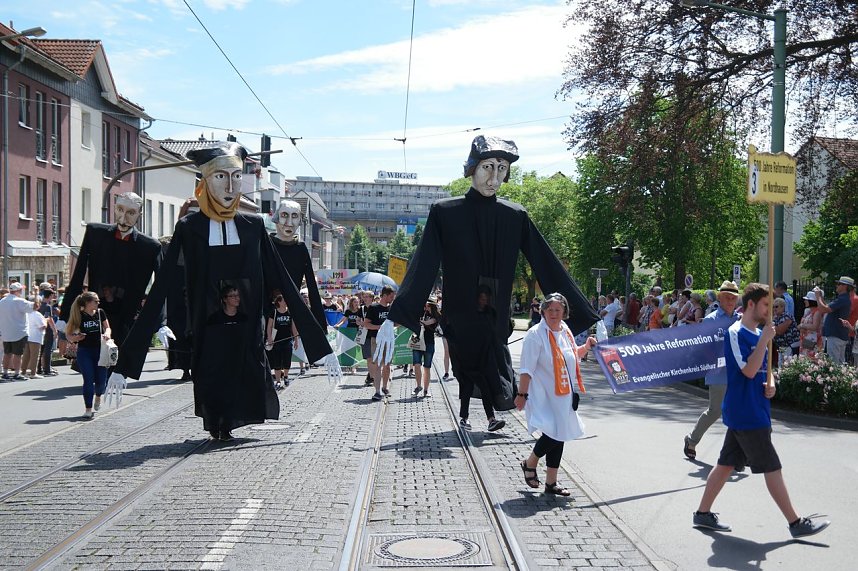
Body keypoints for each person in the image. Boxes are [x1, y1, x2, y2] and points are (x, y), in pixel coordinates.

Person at [109, 142, 331, 441]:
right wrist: (126, 363)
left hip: (245, 325)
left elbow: (285, 282)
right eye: (220, 177)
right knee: (212, 375)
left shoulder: (252, 226)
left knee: (243, 373)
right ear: (205, 182)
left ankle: (231, 422)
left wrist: (321, 346)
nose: (230, 185)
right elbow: (162, 285)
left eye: (236, 176)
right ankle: (217, 424)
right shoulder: (190, 228)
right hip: (208, 325)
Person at [376, 136, 598, 430]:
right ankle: (485, 412)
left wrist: (585, 316)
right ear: (472, 168)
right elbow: (424, 264)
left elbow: (547, 263)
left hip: (494, 318)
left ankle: (510, 414)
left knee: (493, 368)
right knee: (474, 368)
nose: (494, 178)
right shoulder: (445, 212)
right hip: (460, 316)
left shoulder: (515, 215)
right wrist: (395, 317)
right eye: (487, 167)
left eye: (502, 169)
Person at [693, 283, 831, 539]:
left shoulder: (760, 334)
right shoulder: (735, 333)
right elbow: (746, 369)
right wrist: (765, 340)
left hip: (755, 408)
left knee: (725, 464)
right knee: (772, 466)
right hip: (746, 412)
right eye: (766, 305)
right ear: (751, 305)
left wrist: (772, 383)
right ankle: (795, 522)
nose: (770, 310)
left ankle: (702, 514)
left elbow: (763, 370)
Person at [60, 192, 169, 347]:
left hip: (127, 320)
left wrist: (161, 322)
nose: (123, 218)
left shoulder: (150, 246)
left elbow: (160, 288)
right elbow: (77, 275)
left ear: (139, 214)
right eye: (119, 209)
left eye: (131, 212)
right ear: (114, 208)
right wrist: (65, 315)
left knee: (120, 366)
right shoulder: (95, 233)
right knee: (94, 366)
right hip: (95, 318)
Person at [515, 293, 596, 496]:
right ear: (542, 311)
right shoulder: (536, 335)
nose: (553, 313)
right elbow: (527, 369)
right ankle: (530, 462)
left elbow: (571, 355)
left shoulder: (565, 331)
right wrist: (521, 394)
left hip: (563, 394)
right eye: (549, 310)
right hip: (544, 395)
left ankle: (551, 482)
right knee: (554, 433)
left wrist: (585, 347)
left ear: (564, 313)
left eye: (557, 310)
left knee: (559, 435)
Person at [683, 281, 740, 460]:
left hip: (738, 373)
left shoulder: (740, 320)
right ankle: (692, 440)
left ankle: (738, 452)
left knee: (738, 411)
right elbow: (703, 346)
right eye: (727, 298)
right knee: (715, 411)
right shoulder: (711, 319)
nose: (730, 301)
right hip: (718, 372)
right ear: (721, 298)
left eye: (733, 298)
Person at [65, 292, 111, 419]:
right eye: (95, 301)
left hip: (100, 350)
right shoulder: (78, 315)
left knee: (102, 382)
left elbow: (107, 328)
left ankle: (98, 396)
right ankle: (88, 409)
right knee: (88, 379)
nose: (98, 303)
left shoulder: (100, 312)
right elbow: (68, 335)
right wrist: (76, 338)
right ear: (87, 303)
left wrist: (107, 334)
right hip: (85, 351)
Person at [363, 285, 395, 401]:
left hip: (389, 340)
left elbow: (395, 324)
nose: (392, 298)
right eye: (391, 296)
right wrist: (379, 327)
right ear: (385, 295)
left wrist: (400, 323)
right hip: (376, 340)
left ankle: (385, 387)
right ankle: (377, 391)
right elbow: (366, 324)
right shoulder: (373, 308)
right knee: (377, 365)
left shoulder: (392, 308)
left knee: (387, 365)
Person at [814, 276, 854, 364]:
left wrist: (817, 296)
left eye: (839, 284)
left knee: (833, 364)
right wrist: (820, 296)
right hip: (838, 335)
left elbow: (824, 309)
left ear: (845, 286)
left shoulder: (842, 299)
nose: (836, 286)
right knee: (838, 364)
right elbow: (827, 307)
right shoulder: (843, 299)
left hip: (835, 336)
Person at [0, 282, 33, 381]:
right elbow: (35, 307)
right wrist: (36, 293)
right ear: (19, 291)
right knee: (18, 354)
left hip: (6, 332)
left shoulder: (2, 301)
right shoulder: (20, 301)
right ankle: (17, 373)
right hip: (19, 332)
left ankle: (5, 372)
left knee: (7, 353)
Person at [266, 291, 298, 389]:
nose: (286, 302)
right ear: (279, 302)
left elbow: (293, 327)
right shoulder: (274, 312)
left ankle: (286, 376)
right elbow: (269, 326)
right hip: (277, 340)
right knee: (277, 360)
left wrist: (296, 339)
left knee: (287, 360)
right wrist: (270, 337)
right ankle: (278, 380)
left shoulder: (290, 312)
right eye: (284, 300)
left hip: (288, 340)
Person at [411, 298, 440, 397]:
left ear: (431, 306)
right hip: (417, 342)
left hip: (429, 343)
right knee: (417, 364)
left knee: (427, 367)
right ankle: (418, 386)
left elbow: (428, 323)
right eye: (424, 305)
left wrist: (419, 321)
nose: (425, 307)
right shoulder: (419, 312)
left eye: (427, 305)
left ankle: (426, 390)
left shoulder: (435, 316)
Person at [22, 297, 47, 378]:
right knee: (35, 356)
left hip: (27, 336)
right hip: (36, 337)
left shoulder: (25, 313)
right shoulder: (37, 314)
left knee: (26, 355)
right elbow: (42, 326)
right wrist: (46, 321)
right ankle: (33, 373)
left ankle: (23, 371)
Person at [37, 289, 59, 376]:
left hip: (39, 330)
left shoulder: (39, 305)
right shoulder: (47, 306)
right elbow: (49, 319)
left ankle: (39, 368)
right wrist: (55, 330)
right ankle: (47, 369)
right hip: (48, 330)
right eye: (52, 295)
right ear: (49, 296)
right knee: (48, 350)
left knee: (41, 350)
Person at [773, 297, 800, 365]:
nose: (774, 309)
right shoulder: (776, 317)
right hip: (781, 346)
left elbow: (780, 331)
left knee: (787, 365)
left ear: (782, 307)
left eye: (776, 306)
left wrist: (770, 326)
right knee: (780, 365)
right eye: (773, 307)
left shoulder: (787, 316)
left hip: (789, 345)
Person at [798, 290, 823, 357]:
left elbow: (815, 326)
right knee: (804, 358)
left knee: (810, 358)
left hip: (812, 340)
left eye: (807, 300)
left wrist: (802, 325)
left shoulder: (817, 312)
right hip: (806, 339)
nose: (805, 301)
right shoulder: (808, 311)